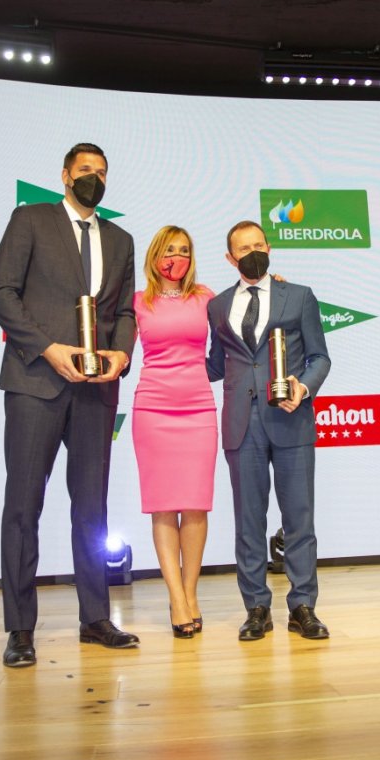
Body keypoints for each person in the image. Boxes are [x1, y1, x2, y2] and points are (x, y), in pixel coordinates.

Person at [0, 142, 139, 668]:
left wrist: (121, 352)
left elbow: (125, 312)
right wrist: (48, 349)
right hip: (36, 381)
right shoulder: (30, 220)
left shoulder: (120, 239)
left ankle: (95, 617)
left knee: (92, 507)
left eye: (102, 171)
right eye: (85, 170)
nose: (94, 178)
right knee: (23, 505)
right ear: (65, 176)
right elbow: (1, 294)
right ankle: (20, 629)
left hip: (96, 389)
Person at [206, 220, 331, 641]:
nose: (253, 253)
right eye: (244, 249)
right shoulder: (217, 306)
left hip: (292, 419)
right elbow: (214, 365)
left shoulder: (299, 295)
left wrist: (304, 387)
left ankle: (303, 606)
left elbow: (320, 357)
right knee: (248, 522)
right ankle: (256, 607)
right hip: (242, 424)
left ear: (269, 247)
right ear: (230, 258)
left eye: (259, 244)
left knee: (299, 519)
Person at [132, 226, 217, 638]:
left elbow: (244, 324)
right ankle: (176, 599)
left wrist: (277, 290)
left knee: (197, 506)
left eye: (184, 250)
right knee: (164, 506)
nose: (177, 258)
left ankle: (190, 593)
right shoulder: (137, 302)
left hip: (199, 408)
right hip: (153, 409)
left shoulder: (206, 297)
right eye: (169, 250)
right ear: (154, 256)